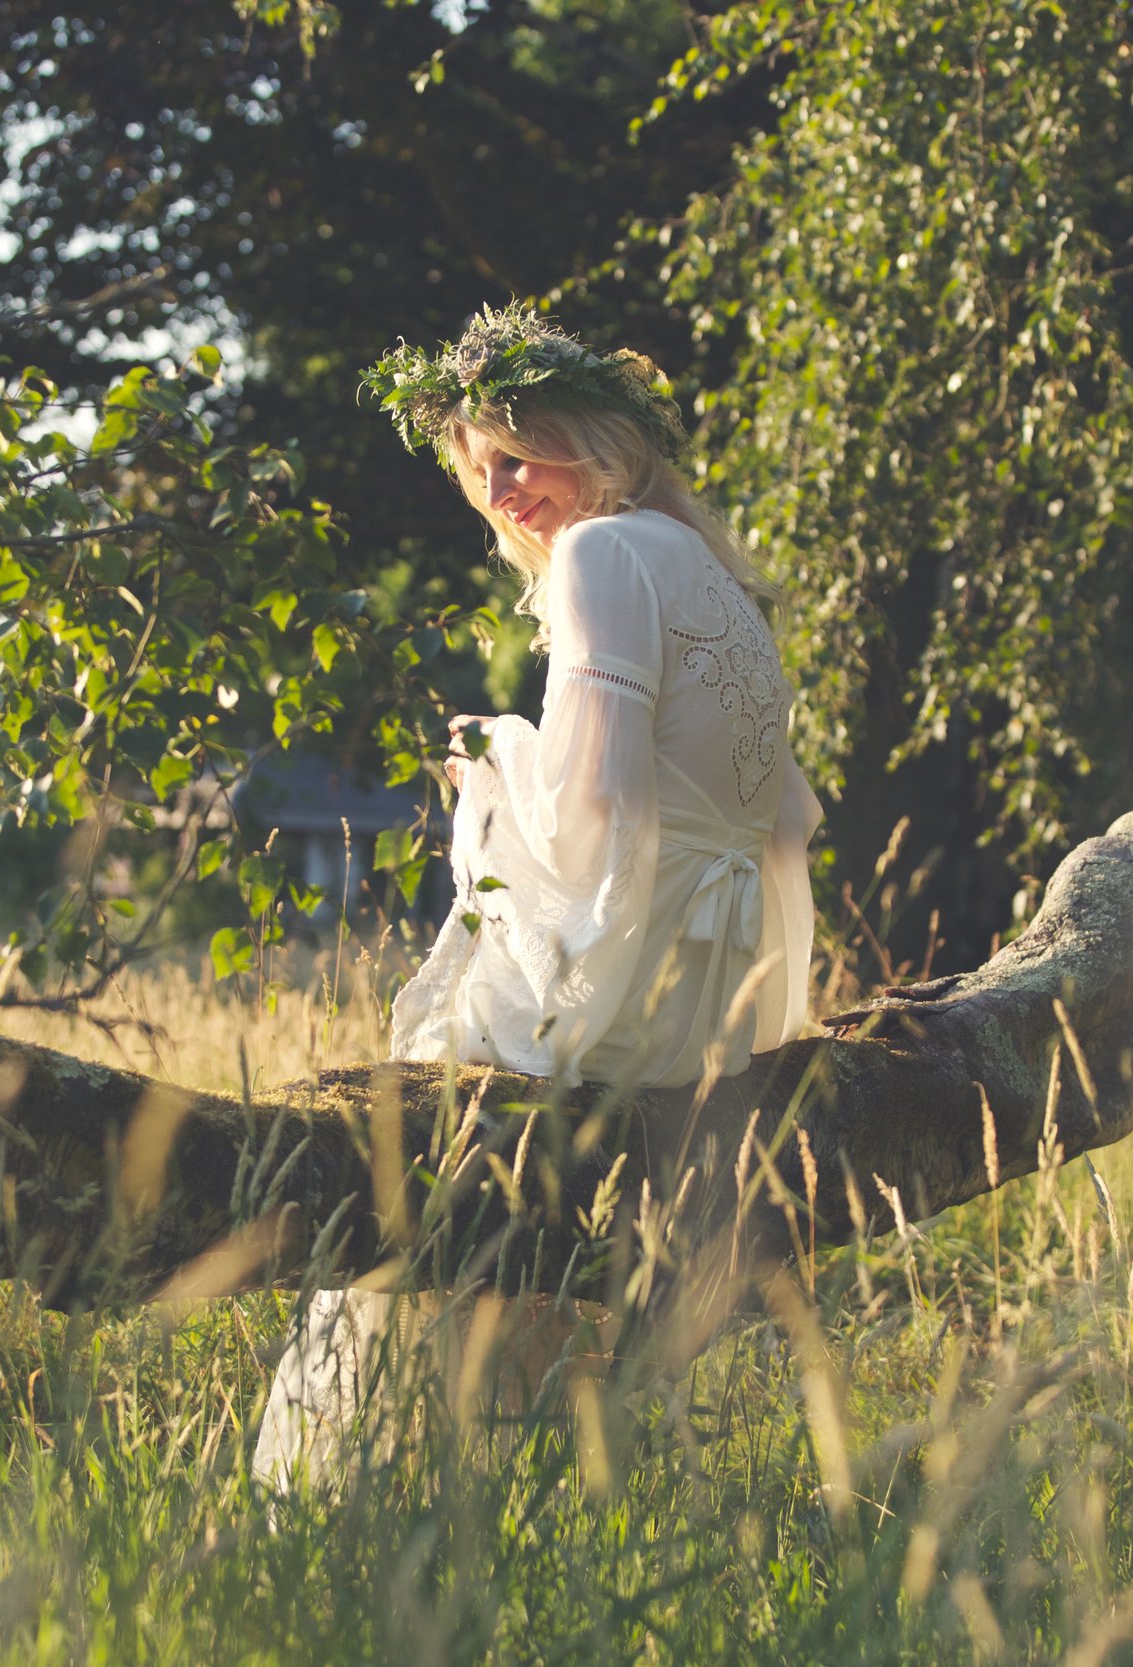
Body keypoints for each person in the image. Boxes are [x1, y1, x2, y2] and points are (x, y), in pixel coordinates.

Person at [251, 302, 822, 1487]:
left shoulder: (602, 554)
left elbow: (597, 803)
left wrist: (489, 764)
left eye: (518, 453)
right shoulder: (707, 569)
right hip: (717, 977)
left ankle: (395, 1470)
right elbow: (788, 815)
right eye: (479, 471)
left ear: (590, 437)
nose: (502, 491)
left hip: (637, 961)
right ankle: (533, 1460)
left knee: (433, 1101)